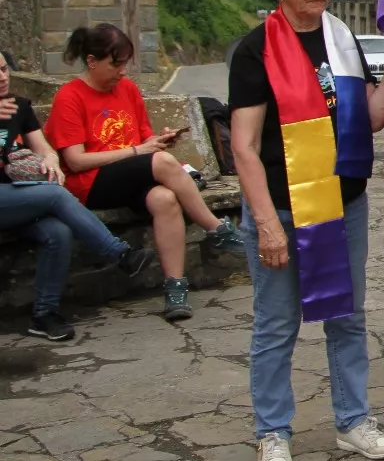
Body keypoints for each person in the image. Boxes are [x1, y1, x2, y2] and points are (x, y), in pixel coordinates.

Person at [229, 0, 384, 461]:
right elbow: (243, 145)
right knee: (277, 324)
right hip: (282, 207)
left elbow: (372, 118)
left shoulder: (342, 40)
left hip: (341, 201)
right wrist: (265, 223)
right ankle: (272, 433)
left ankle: (353, 420)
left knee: (347, 317)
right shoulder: (254, 50)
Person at [44, 24, 244, 322]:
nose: (122, 71)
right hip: (91, 182)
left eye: (125, 63)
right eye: (115, 64)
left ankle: (175, 289)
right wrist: (140, 152)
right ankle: (217, 229)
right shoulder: (70, 97)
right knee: (162, 163)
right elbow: (75, 161)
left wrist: (159, 141)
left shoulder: (127, 90)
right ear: (91, 61)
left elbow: (143, 141)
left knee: (164, 198)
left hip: (129, 175)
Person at [1, 50, 158, 340]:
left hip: (20, 197)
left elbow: (44, 147)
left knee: (58, 232)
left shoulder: (19, 107)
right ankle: (119, 253)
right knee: (55, 197)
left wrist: (49, 159)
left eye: (4, 69)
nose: (2, 77)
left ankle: (44, 314)